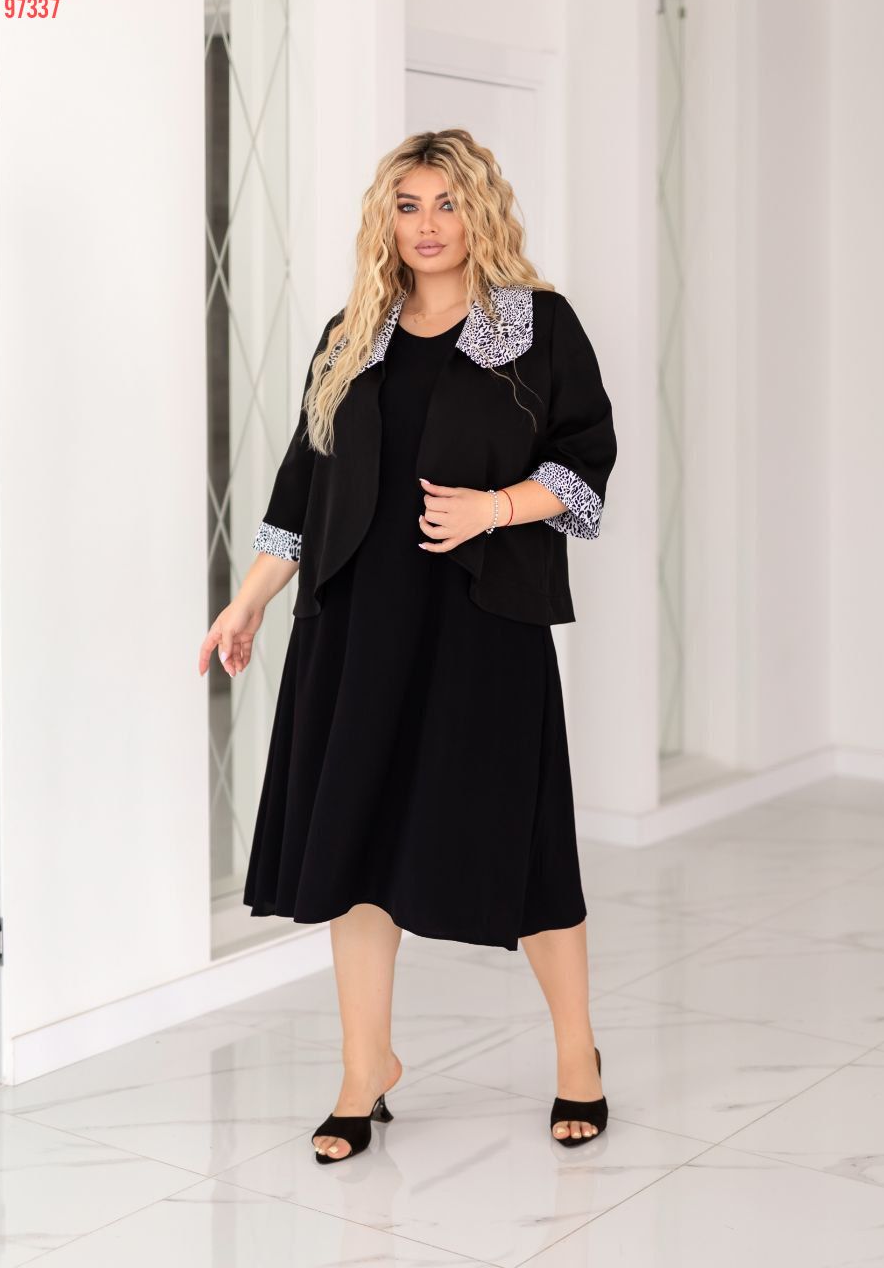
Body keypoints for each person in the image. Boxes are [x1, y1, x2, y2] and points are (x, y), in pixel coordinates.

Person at [198, 128, 617, 1162]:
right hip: (355, 630)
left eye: (446, 203)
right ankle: (364, 1068)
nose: (427, 225)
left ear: (481, 211)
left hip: (482, 629)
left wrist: (493, 507)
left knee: (527, 846)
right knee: (356, 848)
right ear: (385, 219)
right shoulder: (352, 334)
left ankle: (578, 1056)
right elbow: (301, 488)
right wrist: (247, 603)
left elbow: (587, 464)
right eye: (407, 205)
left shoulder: (538, 326)